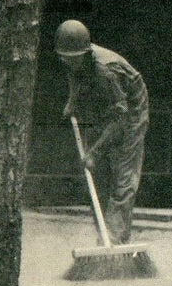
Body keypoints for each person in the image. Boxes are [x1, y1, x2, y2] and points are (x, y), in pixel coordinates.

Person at [56, 19, 149, 246]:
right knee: (94, 173)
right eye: (64, 58)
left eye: (72, 59)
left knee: (123, 177)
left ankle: (115, 241)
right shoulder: (74, 59)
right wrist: (72, 101)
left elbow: (120, 120)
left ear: (85, 54)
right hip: (104, 104)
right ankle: (104, 234)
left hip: (130, 110)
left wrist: (95, 152)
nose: (67, 62)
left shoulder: (105, 72)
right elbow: (73, 75)